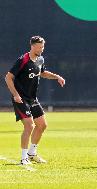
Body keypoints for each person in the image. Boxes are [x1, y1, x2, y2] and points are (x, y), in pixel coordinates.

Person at [5, 36, 65, 165]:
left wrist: (57, 77)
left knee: (42, 125)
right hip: (20, 98)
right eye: (39, 47)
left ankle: (32, 154)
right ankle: (23, 157)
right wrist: (15, 94)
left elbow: (42, 73)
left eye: (42, 47)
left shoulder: (40, 59)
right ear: (32, 46)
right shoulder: (23, 60)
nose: (41, 49)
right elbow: (8, 77)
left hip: (32, 98)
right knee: (29, 125)